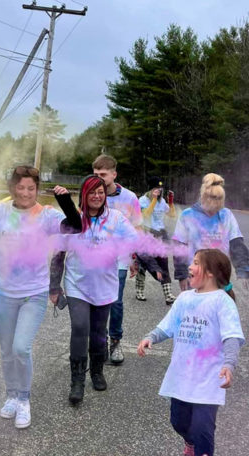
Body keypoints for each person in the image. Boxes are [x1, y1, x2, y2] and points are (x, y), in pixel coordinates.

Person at [137, 249, 244, 456]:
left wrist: (229, 364)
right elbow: (168, 325)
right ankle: (190, 442)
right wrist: (151, 336)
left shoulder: (222, 302)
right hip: (182, 376)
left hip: (209, 380)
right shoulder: (184, 298)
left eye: (196, 263)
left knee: (203, 431)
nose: (190, 267)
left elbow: (232, 337)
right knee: (178, 421)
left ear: (210, 272)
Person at [0, 166, 64, 429]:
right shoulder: (0, 211)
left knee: (21, 348)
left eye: (31, 188)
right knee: (6, 350)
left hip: (33, 293)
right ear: (13, 188)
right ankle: (11, 395)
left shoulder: (46, 215)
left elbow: (75, 226)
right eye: (20, 188)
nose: (25, 193)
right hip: (3, 293)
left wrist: (65, 200)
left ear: (37, 189)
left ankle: (24, 399)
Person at [49, 176, 139, 404]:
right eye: (92, 192)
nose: (97, 196)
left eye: (100, 191)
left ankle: (97, 371)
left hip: (105, 286)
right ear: (84, 195)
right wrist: (54, 285)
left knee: (99, 333)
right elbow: (58, 254)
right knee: (80, 327)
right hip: (77, 284)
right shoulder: (73, 220)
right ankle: (77, 381)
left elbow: (134, 240)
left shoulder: (116, 219)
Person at [92, 154, 142, 365]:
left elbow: (137, 228)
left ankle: (115, 341)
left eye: (103, 175)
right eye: (95, 174)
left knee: (116, 302)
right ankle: (100, 342)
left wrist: (135, 259)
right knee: (97, 302)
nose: (99, 179)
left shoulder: (130, 198)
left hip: (120, 260)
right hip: (95, 260)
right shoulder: (91, 194)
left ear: (114, 174)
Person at [172, 173, 249, 291]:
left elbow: (237, 243)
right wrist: (181, 275)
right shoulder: (188, 215)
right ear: (204, 197)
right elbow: (179, 246)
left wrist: (243, 269)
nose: (215, 207)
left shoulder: (226, 215)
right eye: (213, 200)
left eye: (219, 201)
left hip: (220, 275)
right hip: (195, 275)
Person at [135, 176, 176, 305]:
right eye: (156, 189)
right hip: (147, 234)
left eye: (160, 189)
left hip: (160, 235)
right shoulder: (142, 200)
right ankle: (139, 291)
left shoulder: (162, 201)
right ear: (151, 189)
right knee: (143, 265)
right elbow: (145, 215)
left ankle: (168, 295)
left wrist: (170, 201)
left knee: (163, 263)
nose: (159, 191)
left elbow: (172, 214)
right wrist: (153, 200)